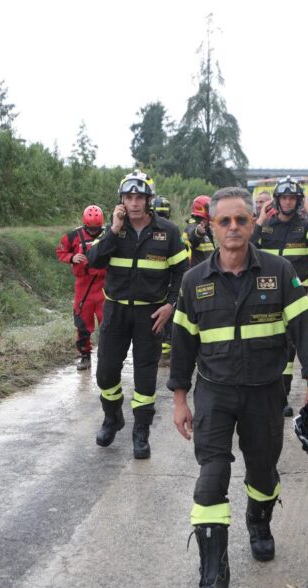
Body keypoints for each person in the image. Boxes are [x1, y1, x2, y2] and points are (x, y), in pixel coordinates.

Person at [169, 186, 308, 588]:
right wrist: (179, 399)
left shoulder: (279, 273)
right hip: (214, 394)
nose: (233, 228)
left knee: (263, 472)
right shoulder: (193, 281)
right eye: (224, 221)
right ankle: (212, 576)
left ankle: (259, 522)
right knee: (212, 473)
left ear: (252, 223)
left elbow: (305, 331)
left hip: (265, 393)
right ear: (212, 227)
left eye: (241, 220)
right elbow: (183, 345)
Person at [87, 170, 189, 459]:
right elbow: (93, 261)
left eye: (139, 197)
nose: (134, 203)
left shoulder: (168, 232)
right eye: (129, 197)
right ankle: (112, 418)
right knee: (106, 373)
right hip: (116, 311)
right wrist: (114, 228)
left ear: (149, 200)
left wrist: (171, 304)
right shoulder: (113, 230)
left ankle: (140, 431)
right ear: (121, 200)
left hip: (150, 315)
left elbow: (182, 271)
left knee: (145, 377)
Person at [250, 177, 308, 417]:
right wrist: (261, 219)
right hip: (266, 294)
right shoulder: (267, 225)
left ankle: (281, 397)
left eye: (292, 198)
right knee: (266, 343)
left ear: (298, 201)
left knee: (289, 348)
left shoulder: (305, 225)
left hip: (296, 296)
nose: (287, 202)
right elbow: (248, 245)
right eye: (284, 197)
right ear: (277, 200)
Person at [56, 205, 107, 370]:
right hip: (83, 285)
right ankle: (85, 357)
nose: (93, 232)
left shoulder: (109, 234)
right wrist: (72, 257)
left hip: (104, 286)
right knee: (82, 324)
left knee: (109, 323)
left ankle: (107, 357)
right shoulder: (73, 236)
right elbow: (60, 252)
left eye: (96, 229)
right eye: (90, 229)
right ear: (85, 224)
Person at [184, 195, 215, 268]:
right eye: (208, 208)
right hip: (196, 274)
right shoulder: (193, 226)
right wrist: (198, 233)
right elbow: (193, 238)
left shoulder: (206, 228)